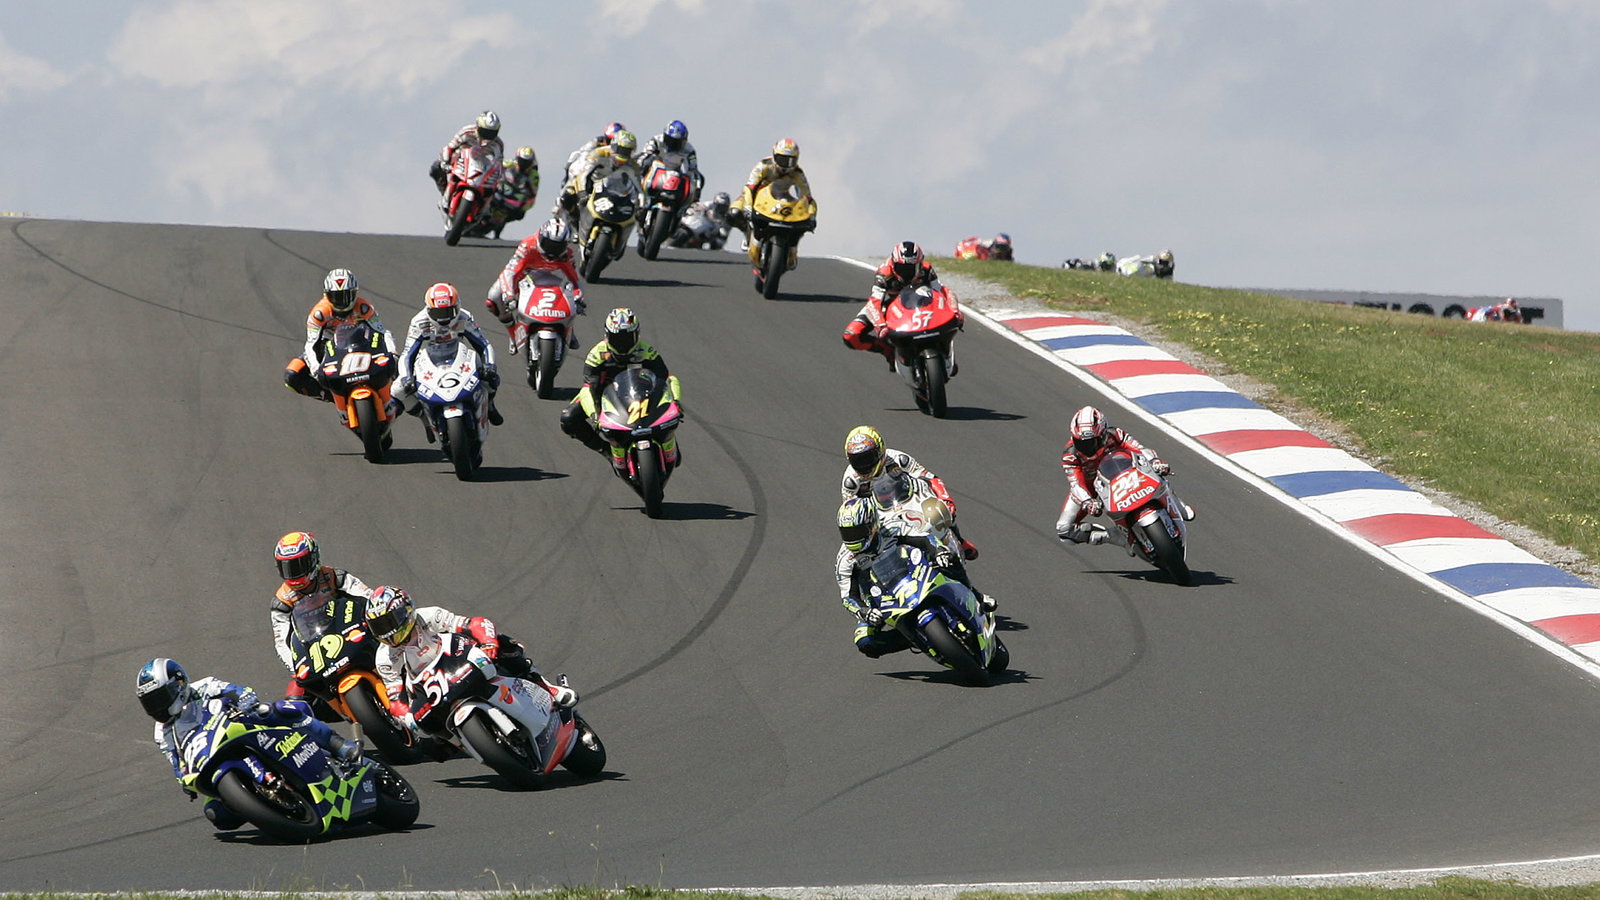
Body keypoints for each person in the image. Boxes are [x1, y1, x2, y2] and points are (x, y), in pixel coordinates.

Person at [136, 657, 359, 830]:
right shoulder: (162, 732)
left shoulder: (203, 687)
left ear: (179, 683)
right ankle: (267, 805)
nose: (157, 707)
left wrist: (244, 699)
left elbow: (235, 690)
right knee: (216, 815)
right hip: (209, 757)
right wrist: (183, 779)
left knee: (280, 710)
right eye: (150, 703)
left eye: (160, 698)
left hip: (240, 727)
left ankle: (338, 745)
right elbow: (177, 761)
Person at [364, 586, 577, 731]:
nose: (387, 632)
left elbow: (474, 623)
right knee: (432, 740)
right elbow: (395, 697)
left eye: (388, 622)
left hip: (456, 657)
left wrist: (489, 642)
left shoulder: (427, 616)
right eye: (379, 627)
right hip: (428, 687)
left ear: (406, 611)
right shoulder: (384, 657)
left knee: (505, 645)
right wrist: (406, 718)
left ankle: (548, 688)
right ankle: (457, 741)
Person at [834, 498, 993, 659]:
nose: (852, 538)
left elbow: (924, 538)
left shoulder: (890, 527)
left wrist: (938, 551)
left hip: (914, 571)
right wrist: (864, 611)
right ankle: (916, 638)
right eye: (847, 533)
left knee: (948, 558)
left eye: (857, 531)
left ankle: (974, 595)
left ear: (871, 524)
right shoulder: (845, 560)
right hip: (880, 599)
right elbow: (848, 596)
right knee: (865, 641)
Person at [558, 307, 681, 475]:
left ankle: (665, 437)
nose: (622, 343)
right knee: (569, 418)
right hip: (604, 397)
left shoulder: (647, 351)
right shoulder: (597, 355)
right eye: (617, 338)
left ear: (637, 335)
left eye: (627, 338)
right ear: (607, 335)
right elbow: (589, 387)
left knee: (667, 411)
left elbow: (664, 379)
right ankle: (606, 450)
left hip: (641, 396)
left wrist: (675, 403)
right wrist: (595, 415)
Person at [1054, 405, 1195, 549]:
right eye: (1080, 442)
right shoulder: (1070, 454)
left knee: (1156, 472)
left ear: (1103, 433)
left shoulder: (1115, 434)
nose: (1087, 447)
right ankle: (1115, 537)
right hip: (1090, 486)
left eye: (1093, 442)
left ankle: (1177, 505)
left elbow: (1139, 448)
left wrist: (1155, 461)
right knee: (1065, 530)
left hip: (1121, 472)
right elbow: (1075, 484)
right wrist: (1087, 501)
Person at [838, 425, 979, 561]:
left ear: (880, 451)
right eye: (857, 461)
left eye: (868, 458)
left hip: (907, 499)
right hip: (879, 513)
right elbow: (851, 509)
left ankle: (959, 540)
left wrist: (945, 499)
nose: (864, 465)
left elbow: (929, 477)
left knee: (940, 511)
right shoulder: (851, 481)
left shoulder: (898, 459)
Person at [270, 530, 379, 701]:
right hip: (314, 647)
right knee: (294, 700)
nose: (294, 573)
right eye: (288, 568)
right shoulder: (281, 602)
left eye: (299, 565)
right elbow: (281, 642)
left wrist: (377, 617)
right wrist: (295, 667)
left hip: (348, 627)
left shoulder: (335, 576)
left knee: (392, 640)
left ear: (313, 559)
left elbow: (368, 596)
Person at [282, 268, 398, 412]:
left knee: (399, 365)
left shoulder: (363, 307)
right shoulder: (319, 313)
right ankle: (333, 395)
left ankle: (395, 396)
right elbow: (311, 345)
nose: (342, 302)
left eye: (346, 296)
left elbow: (383, 332)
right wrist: (315, 368)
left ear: (355, 293)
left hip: (362, 344)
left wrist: (393, 353)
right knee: (292, 375)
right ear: (327, 295)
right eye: (336, 297)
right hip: (330, 348)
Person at [396, 282, 504, 428]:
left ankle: (489, 404)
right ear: (428, 310)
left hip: (459, 354)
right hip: (430, 357)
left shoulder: (464, 317)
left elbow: (484, 344)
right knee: (398, 390)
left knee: (490, 378)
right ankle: (425, 419)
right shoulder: (419, 322)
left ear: (457, 307)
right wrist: (406, 377)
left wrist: (489, 366)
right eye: (438, 313)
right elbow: (407, 353)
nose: (443, 319)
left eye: (448, 312)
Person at [842, 242, 960, 367]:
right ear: (893, 263)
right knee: (851, 335)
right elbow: (874, 302)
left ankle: (945, 352)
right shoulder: (884, 274)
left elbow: (942, 292)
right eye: (901, 268)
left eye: (911, 268)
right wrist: (881, 326)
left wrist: (955, 311)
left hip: (921, 303)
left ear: (919, 264)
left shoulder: (926, 269)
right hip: (891, 305)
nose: (906, 273)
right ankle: (889, 351)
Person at [485, 217, 586, 351]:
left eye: (558, 246)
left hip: (552, 278)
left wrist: (578, 297)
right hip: (523, 277)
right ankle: (513, 333)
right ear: (541, 237)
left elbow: (575, 280)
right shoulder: (527, 246)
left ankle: (569, 330)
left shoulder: (566, 254)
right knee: (494, 298)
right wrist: (509, 295)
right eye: (549, 244)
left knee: (573, 300)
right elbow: (510, 272)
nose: (552, 251)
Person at [728, 138, 810, 250]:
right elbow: (749, 187)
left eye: (791, 161)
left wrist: (809, 214)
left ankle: (791, 248)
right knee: (734, 213)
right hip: (756, 197)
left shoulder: (798, 173)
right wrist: (747, 206)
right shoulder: (763, 165)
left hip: (782, 198)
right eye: (782, 159)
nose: (786, 165)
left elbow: (806, 196)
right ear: (775, 156)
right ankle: (747, 232)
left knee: (801, 223)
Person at [557, 129, 642, 234]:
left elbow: (639, 185)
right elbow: (584, 173)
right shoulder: (599, 153)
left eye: (627, 151)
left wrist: (641, 202)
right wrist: (582, 192)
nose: (624, 154)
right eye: (622, 150)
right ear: (615, 146)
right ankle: (575, 226)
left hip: (614, 191)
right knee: (567, 196)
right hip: (591, 184)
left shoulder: (633, 164)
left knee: (636, 214)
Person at [430, 110, 504, 193]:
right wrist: (445, 162)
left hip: (481, 167)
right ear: (478, 126)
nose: (488, 135)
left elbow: (499, 165)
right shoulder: (467, 131)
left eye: (492, 133)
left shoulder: (497, 144)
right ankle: (445, 192)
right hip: (461, 160)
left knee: (497, 193)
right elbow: (450, 146)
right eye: (485, 131)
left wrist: (500, 182)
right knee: (436, 168)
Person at [635, 119, 705, 202]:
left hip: (674, 176)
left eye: (677, 142)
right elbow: (645, 155)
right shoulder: (656, 140)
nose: (672, 144)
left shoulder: (689, 150)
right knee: (644, 161)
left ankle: (685, 209)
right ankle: (637, 191)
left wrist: (696, 189)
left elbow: (693, 169)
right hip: (655, 172)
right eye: (670, 140)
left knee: (700, 178)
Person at [489, 145, 540, 239]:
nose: (524, 164)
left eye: (527, 162)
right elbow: (495, 165)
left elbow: (533, 193)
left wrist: (523, 204)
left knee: (518, 213)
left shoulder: (533, 174)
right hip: (501, 187)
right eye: (522, 161)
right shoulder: (511, 163)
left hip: (515, 195)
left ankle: (497, 233)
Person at [562, 122, 627, 189]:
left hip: (609, 170)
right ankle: (567, 178)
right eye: (610, 139)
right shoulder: (597, 141)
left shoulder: (622, 150)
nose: (612, 142)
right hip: (592, 165)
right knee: (574, 154)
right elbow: (584, 151)